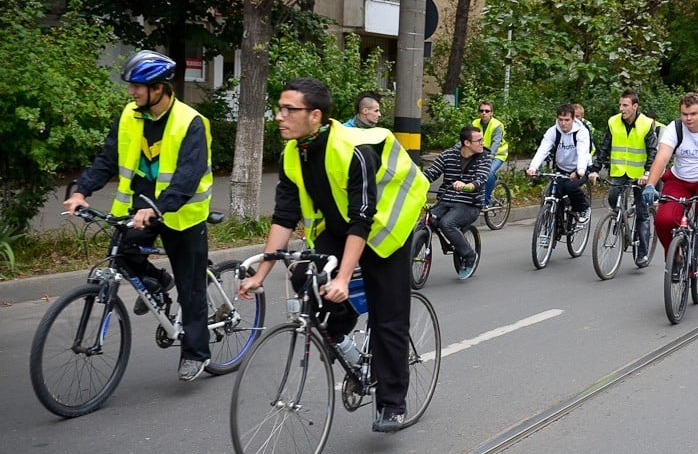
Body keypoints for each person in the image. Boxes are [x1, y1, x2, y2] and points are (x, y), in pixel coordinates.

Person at [238, 77, 428, 433]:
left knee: (387, 315)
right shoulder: (294, 153)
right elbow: (284, 215)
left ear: (315, 115)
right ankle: (340, 333)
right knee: (301, 276)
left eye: (288, 110)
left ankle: (392, 402)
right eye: (279, 108)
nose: (279, 116)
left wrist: (343, 278)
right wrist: (260, 274)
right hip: (340, 227)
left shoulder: (351, 150)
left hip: (386, 226)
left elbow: (363, 218)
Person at [63, 50, 214, 382]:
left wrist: (158, 208)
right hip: (138, 209)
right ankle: (159, 282)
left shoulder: (190, 122)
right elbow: (108, 157)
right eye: (131, 87)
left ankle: (196, 352)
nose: (131, 92)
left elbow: (187, 177)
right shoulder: (130, 115)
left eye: (137, 87)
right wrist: (81, 191)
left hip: (181, 214)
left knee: (191, 289)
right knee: (122, 253)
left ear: (159, 88)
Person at [641, 92, 698, 275]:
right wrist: (650, 184)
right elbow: (662, 157)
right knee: (663, 220)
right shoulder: (675, 128)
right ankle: (675, 257)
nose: (688, 118)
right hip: (679, 178)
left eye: (693, 114)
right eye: (684, 114)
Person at [590, 90, 658, 267]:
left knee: (642, 212)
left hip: (639, 175)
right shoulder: (613, 122)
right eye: (620, 105)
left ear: (635, 106)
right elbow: (604, 146)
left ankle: (642, 253)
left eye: (625, 105)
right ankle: (622, 219)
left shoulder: (646, 124)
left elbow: (652, 150)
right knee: (613, 199)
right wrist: (595, 169)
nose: (621, 108)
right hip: (619, 172)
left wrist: (647, 173)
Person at [421, 126, 491, 278]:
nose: (482, 143)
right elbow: (431, 173)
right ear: (466, 142)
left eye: (482, 140)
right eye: (479, 140)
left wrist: (466, 186)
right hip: (445, 200)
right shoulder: (448, 155)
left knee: (447, 223)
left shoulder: (484, 157)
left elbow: (480, 179)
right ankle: (412, 258)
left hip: (469, 204)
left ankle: (469, 255)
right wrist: (413, 181)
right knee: (424, 223)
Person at [526, 103, 593, 223]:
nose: (563, 123)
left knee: (570, 187)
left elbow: (583, 152)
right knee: (554, 193)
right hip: (561, 168)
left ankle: (583, 207)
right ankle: (555, 226)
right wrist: (533, 167)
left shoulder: (582, 132)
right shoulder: (553, 131)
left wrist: (580, 171)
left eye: (567, 120)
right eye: (560, 120)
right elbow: (543, 149)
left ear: (573, 119)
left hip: (579, 168)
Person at [472, 100, 508, 208]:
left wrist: (489, 158)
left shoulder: (497, 125)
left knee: (489, 172)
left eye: (487, 111)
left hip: (497, 155)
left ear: (492, 113)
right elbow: (468, 138)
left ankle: (485, 202)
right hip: (481, 154)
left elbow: (495, 144)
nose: (484, 113)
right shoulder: (475, 123)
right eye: (481, 110)